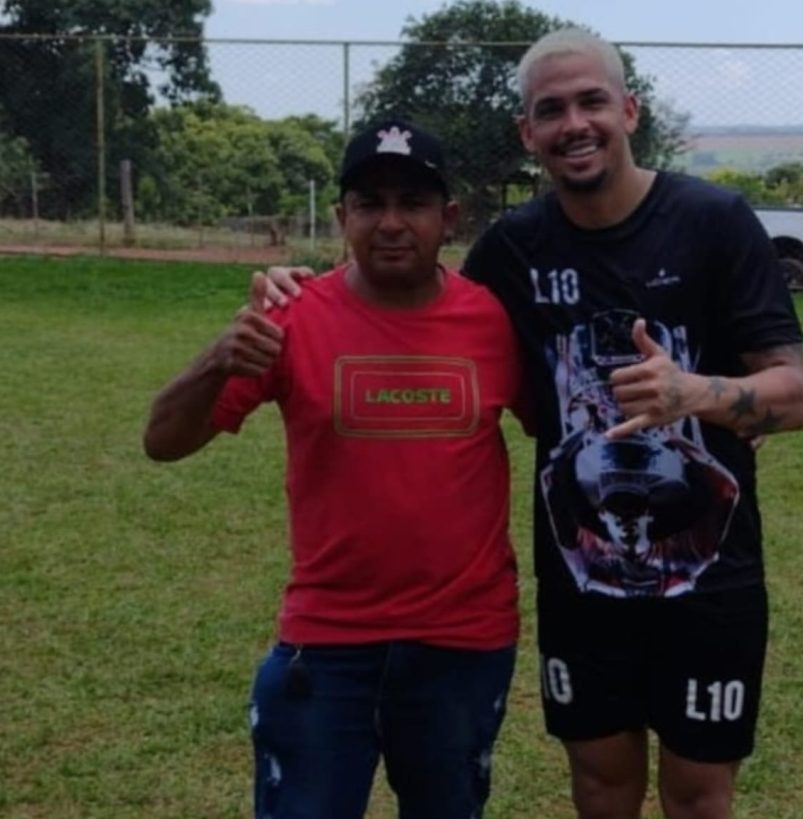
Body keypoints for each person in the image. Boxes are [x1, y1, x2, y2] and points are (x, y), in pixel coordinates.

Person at [266, 28, 803, 819]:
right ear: (528, 133)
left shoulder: (715, 220)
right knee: (599, 782)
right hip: (581, 572)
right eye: (550, 110)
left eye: (593, 101)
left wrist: (693, 394)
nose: (574, 123)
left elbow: (794, 392)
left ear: (630, 110)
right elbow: (420, 300)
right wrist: (300, 290)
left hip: (707, 573)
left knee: (699, 794)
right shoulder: (514, 248)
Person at [143, 119, 529, 819]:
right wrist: (217, 357)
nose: (389, 222)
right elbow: (162, 441)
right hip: (326, 646)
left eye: (412, 203)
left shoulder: (492, 321)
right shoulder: (290, 317)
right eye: (369, 203)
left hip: (462, 642)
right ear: (341, 214)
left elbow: (564, 424)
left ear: (448, 218)